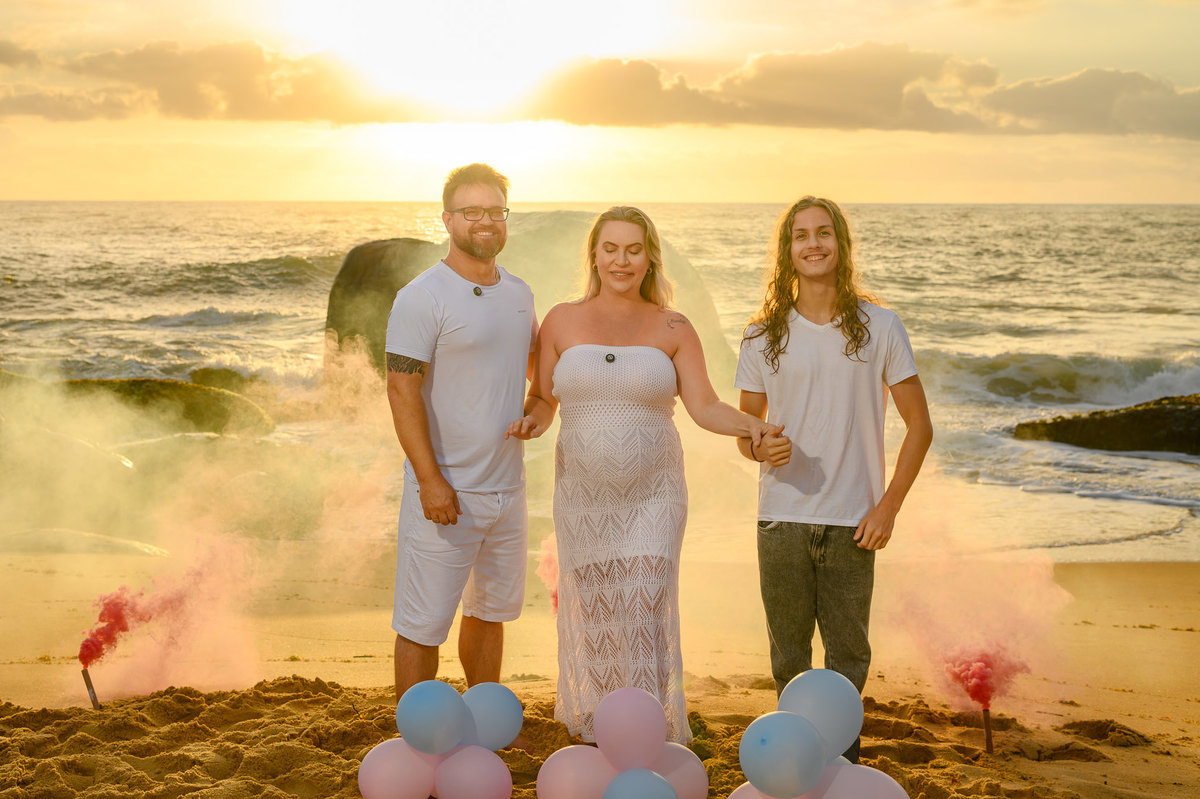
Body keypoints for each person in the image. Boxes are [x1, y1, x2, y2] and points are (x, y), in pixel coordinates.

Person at [507, 206, 784, 744]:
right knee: (597, 611)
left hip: (655, 494)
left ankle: (649, 728)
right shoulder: (561, 320)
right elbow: (543, 397)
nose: (621, 259)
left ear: (649, 256)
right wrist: (530, 423)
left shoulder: (673, 326)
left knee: (644, 602)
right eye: (610, 248)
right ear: (594, 254)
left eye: (633, 249)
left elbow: (704, 407)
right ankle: (600, 724)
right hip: (583, 498)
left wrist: (755, 426)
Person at [735, 196, 933, 762]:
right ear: (787, 250)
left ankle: (843, 766)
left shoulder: (881, 326)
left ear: (841, 245)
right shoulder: (761, 335)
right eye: (801, 235)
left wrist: (888, 507)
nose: (813, 243)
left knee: (848, 657)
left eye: (824, 233)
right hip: (782, 518)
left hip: (854, 520)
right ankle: (794, 764)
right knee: (788, 658)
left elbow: (919, 428)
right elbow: (747, 433)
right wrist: (759, 444)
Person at [385, 163, 536, 702]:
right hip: (445, 490)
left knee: (489, 613)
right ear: (447, 219)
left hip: (507, 490)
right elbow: (401, 392)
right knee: (423, 623)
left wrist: (539, 409)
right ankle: (413, 735)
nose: (486, 222)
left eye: (496, 210)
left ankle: (484, 718)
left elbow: (537, 372)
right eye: (472, 211)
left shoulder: (519, 293)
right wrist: (429, 480)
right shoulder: (421, 296)